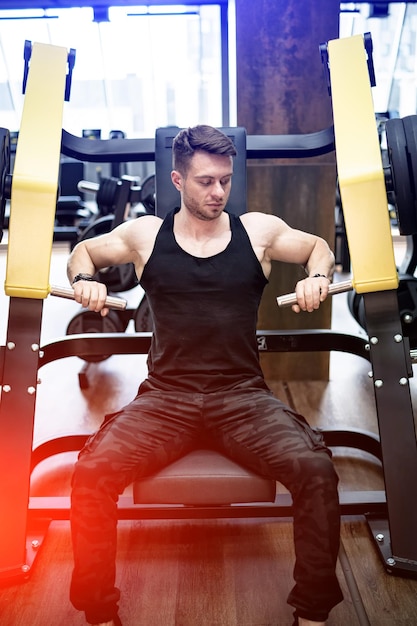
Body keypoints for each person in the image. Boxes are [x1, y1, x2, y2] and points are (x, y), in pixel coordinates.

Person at [67, 125, 343, 626]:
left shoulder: (256, 231)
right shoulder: (145, 236)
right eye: (205, 182)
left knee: (317, 471)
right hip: (166, 399)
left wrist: (318, 277)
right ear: (177, 180)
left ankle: (314, 612)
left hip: (241, 398)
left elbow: (317, 247)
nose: (218, 192)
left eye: (225, 181)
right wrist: (84, 282)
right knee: (90, 474)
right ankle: (99, 612)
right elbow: (82, 253)